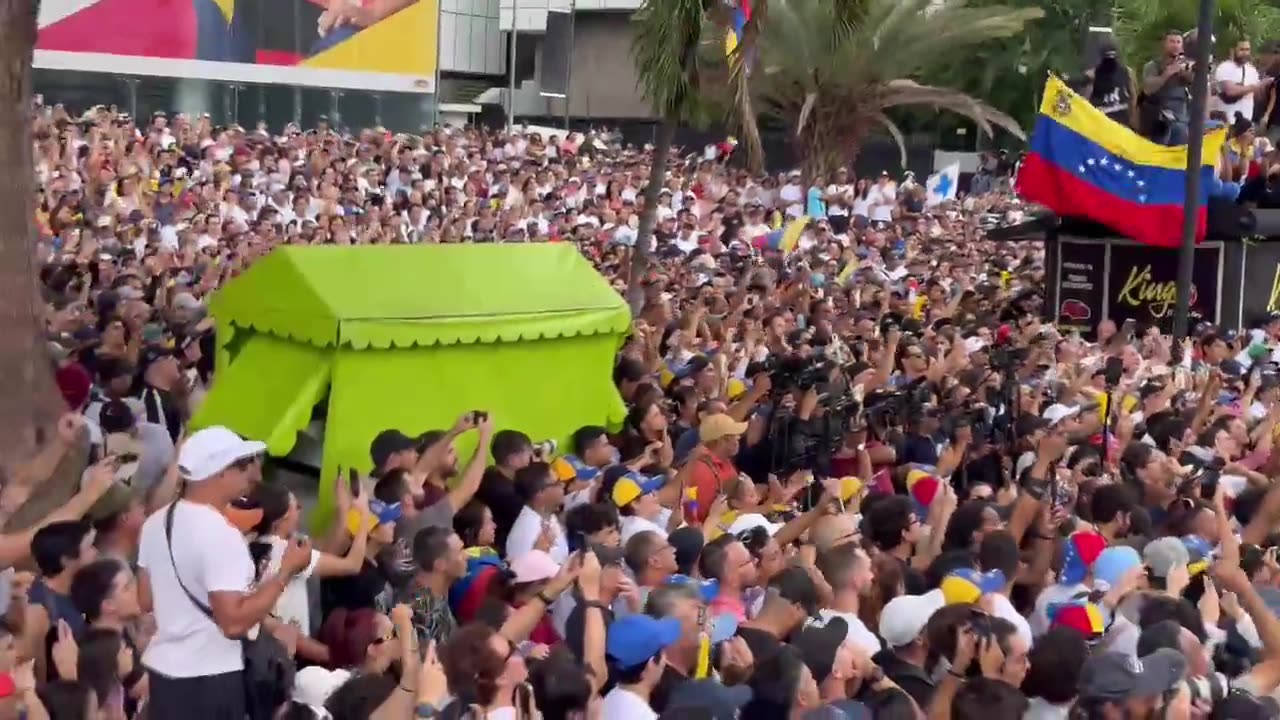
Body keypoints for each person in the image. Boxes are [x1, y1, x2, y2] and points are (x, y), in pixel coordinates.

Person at [136, 426, 312, 718]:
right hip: (210, 679)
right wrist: (286, 572)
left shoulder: (156, 522)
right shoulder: (220, 533)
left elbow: (145, 600)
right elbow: (232, 624)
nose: (251, 478)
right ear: (219, 472)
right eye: (242, 469)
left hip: (163, 675)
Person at [1141, 30, 1195, 145]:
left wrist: (1188, 74)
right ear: (1163, 44)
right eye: (1172, 41)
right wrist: (1167, 73)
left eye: (1178, 42)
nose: (1175, 45)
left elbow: (1198, 86)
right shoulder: (1152, 66)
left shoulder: (1187, 65)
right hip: (1158, 120)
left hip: (1181, 119)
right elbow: (1148, 89)